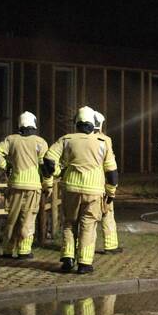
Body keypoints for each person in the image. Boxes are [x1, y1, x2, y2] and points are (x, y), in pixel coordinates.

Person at [43, 106, 117, 274]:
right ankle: (84, 263)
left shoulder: (66, 139)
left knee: (69, 223)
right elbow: (112, 172)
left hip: (70, 188)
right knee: (88, 225)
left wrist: (55, 174)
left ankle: (68, 258)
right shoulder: (103, 142)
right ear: (93, 123)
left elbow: (48, 159)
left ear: (76, 122)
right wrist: (111, 192)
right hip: (94, 191)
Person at [0, 111, 53, 259]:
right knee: (28, 218)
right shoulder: (40, 142)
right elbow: (45, 167)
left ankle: (7, 250)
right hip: (33, 186)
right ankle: (24, 251)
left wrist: (4, 165)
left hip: (15, 184)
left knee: (12, 218)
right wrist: (48, 185)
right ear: (34, 123)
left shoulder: (11, 139)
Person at [92, 110, 122, 254]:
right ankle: (110, 246)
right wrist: (111, 189)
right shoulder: (105, 140)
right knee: (107, 214)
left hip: (84, 186)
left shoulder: (77, 139)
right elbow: (110, 165)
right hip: (102, 184)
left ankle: (80, 248)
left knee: (83, 219)